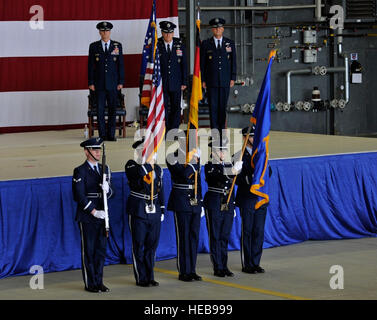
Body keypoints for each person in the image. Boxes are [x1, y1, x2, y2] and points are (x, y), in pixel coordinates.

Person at [72, 137, 114, 293]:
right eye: (95, 150)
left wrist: (107, 189)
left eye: (99, 150)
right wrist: (93, 211)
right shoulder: (80, 171)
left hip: (103, 216)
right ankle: (90, 283)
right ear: (86, 151)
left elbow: (112, 193)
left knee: (100, 250)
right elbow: (79, 196)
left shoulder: (105, 169)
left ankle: (99, 281)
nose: (98, 152)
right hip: (88, 216)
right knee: (89, 250)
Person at [125, 138, 165, 287]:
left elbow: (160, 189)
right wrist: (147, 163)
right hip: (138, 209)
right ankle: (141, 277)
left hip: (154, 209)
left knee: (152, 245)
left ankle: (150, 275)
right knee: (139, 245)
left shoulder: (158, 169)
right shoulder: (131, 165)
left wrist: (162, 208)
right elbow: (138, 173)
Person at [166, 131, 203, 282]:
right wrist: (193, 163)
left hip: (194, 202)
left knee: (194, 236)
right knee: (184, 237)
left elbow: (197, 180)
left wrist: (200, 201)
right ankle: (184, 271)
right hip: (181, 202)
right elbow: (183, 176)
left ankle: (192, 270)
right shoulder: (172, 157)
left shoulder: (195, 156)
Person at [203, 138, 243, 277]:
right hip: (214, 203)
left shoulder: (228, 165)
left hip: (227, 203)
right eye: (221, 150)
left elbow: (232, 185)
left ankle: (224, 265)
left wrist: (232, 205)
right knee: (215, 235)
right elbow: (217, 177)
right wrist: (232, 171)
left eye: (225, 150)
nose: (223, 153)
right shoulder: (210, 166)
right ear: (213, 152)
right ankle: (217, 266)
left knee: (225, 236)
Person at [235, 126, 271, 274]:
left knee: (258, 231)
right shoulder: (238, 155)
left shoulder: (261, 154)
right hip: (247, 197)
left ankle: (256, 262)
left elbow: (269, 172)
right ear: (244, 137)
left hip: (260, 198)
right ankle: (247, 263)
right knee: (248, 231)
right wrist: (250, 179)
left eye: (255, 136)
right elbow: (235, 178)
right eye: (250, 136)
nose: (253, 139)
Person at [88, 21, 125, 141]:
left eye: (107, 31)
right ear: (99, 32)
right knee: (100, 110)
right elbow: (91, 66)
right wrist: (91, 82)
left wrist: (121, 81)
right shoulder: (93, 46)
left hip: (113, 84)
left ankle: (111, 134)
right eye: (103, 31)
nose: (105, 33)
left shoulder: (117, 46)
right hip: (99, 84)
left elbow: (120, 65)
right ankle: (102, 135)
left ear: (110, 32)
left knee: (112, 110)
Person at [200, 18, 237, 135]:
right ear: (212, 29)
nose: (217, 30)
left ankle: (222, 131)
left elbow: (233, 62)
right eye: (215, 28)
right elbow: (202, 63)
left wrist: (233, 77)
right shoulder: (206, 44)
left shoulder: (229, 43)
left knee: (222, 108)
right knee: (213, 108)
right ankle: (215, 132)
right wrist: (203, 79)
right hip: (212, 82)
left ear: (223, 29)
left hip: (225, 81)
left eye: (219, 27)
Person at [157, 21, 188, 132]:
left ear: (173, 33)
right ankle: (164, 130)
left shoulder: (179, 44)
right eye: (165, 33)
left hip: (176, 82)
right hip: (162, 82)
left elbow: (184, 64)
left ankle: (173, 130)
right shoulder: (157, 44)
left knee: (176, 107)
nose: (168, 35)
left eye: (170, 33)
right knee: (163, 107)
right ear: (162, 32)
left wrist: (184, 81)